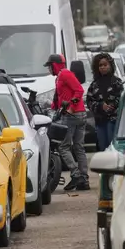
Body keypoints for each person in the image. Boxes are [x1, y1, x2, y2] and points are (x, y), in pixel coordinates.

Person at [44, 53, 90, 191]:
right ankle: (84, 179)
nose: (48, 69)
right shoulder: (60, 77)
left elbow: (79, 90)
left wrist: (70, 106)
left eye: (49, 66)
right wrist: (53, 107)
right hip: (79, 114)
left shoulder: (65, 74)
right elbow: (61, 96)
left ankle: (76, 175)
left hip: (72, 115)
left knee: (63, 147)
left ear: (55, 65)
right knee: (78, 147)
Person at [85, 53, 124, 152]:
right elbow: (89, 101)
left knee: (113, 148)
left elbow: (121, 97)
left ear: (110, 65)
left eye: (105, 65)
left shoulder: (117, 82)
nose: (103, 67)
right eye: (100, 65)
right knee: (103, 148)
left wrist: (111, 106)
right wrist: (100, 106)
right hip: (100, 121)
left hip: (113, 121)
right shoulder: (94, 85)